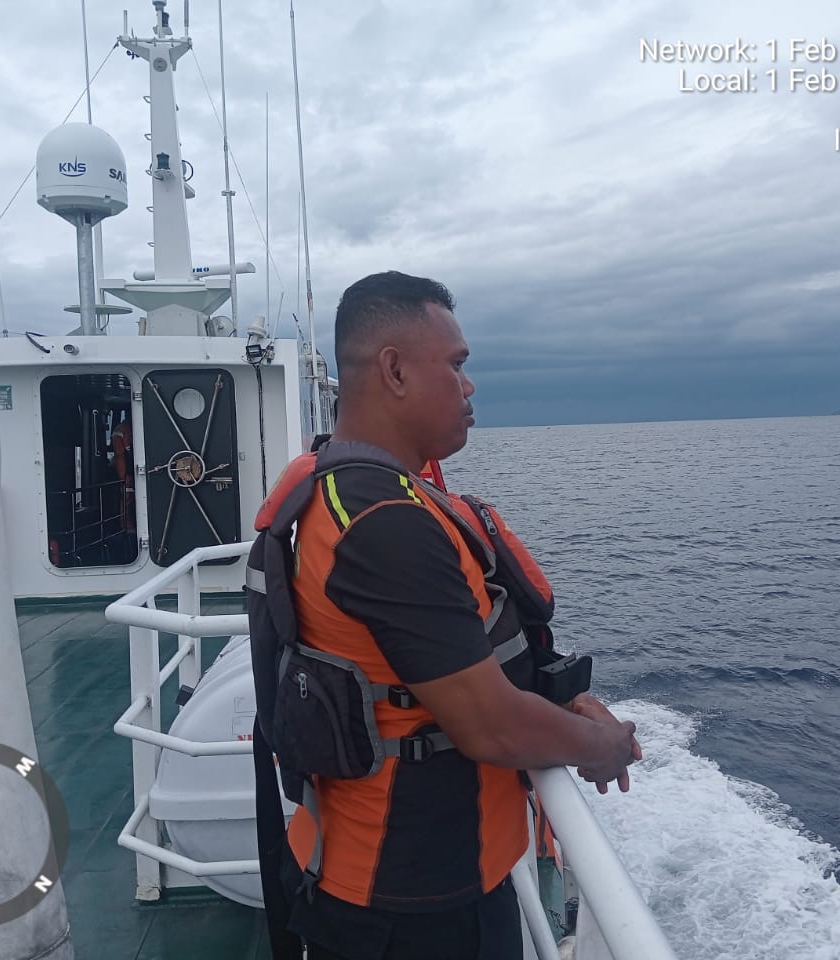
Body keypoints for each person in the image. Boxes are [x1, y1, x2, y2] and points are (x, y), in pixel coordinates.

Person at [255, 271, 641, 960]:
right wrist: (601, 746)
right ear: (395, 370)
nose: (470, 386)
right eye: (456, 365)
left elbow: (430, 664)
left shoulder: (343, 490)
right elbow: (489, 723)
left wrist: (560, 698)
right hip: (410, 902)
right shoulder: (383, 523)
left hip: (391, 882)